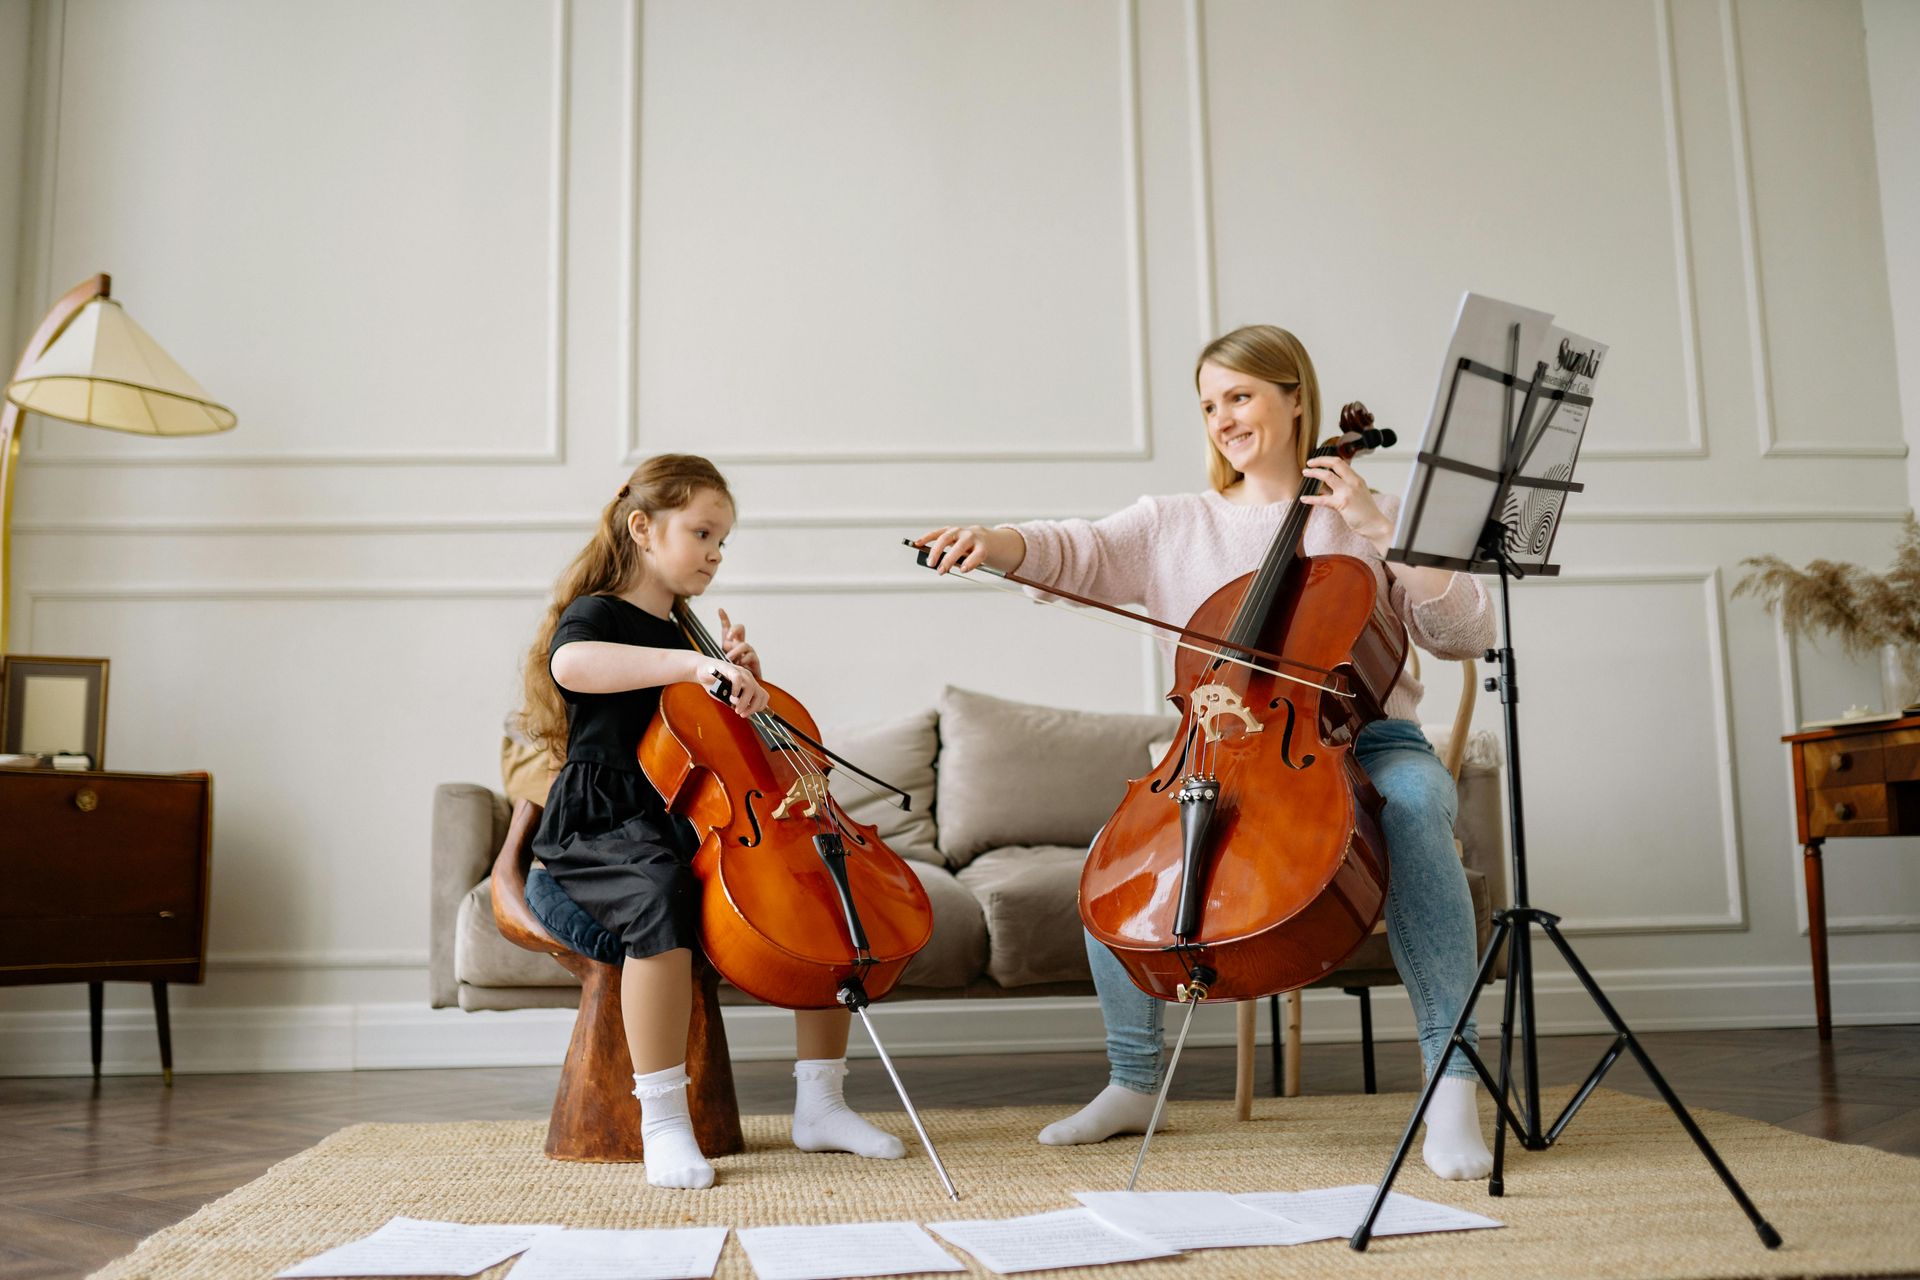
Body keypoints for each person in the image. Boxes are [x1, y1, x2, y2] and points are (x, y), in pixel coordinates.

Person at [913, 325, 1497, 1181]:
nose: (1224, 418)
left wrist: (1376, 523)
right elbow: (1072, 550)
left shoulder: (1373, 523)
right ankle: (1135, 1081)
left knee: (1414, 807)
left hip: (1371, 743)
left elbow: (1464, 630)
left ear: (1295, 395)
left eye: (1241, 396)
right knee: (1120, 853)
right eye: (1210, 404)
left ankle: (1454, 1079)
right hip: (1219, 750)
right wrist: (989, 542)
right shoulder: (1173, 525)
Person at [520, 453, 905, 1190]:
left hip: (679, 819)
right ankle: (665, 1125)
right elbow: (573, 666)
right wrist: (695, 671)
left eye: (722, 541)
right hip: (600, 825)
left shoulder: (688, 636)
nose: (715, 554)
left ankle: (821, 1106)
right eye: (702, 533)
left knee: (822, 894)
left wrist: (742, 685)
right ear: (643, 527)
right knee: (657, 897)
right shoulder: (599, 615)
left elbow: (716, 757)